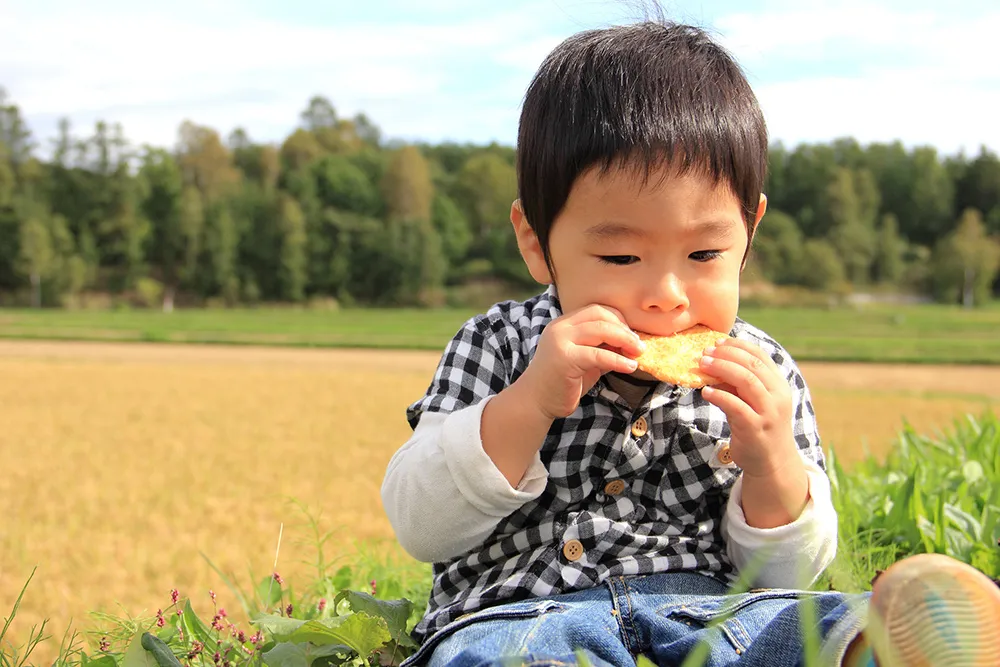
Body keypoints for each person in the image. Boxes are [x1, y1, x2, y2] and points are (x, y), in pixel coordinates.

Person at [381, 17, 1000, 667]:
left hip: (711, 607)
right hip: (524, 610)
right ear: (536, 240)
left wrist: (771, 463)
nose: (666, 294)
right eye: (620, 256)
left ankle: (894, 645)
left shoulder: (761, 370)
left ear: (749, 230)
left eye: (704, 252)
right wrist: (531, 400)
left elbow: (783, 571)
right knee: (505, 656)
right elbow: (421, 525)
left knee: (811, 624)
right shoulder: (499, 346)